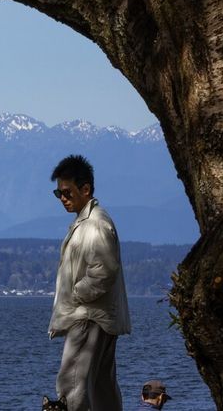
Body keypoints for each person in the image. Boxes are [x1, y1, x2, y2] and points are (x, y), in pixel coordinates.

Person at [49, 154, 131, 411]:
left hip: (88, 316)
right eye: (58, 193)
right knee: (101, 388)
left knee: (71, 385)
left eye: (67, 192)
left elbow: (104, 270)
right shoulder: (88, 222)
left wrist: (76, 295)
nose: (62, 198)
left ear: (85, 189)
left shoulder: (95, 225)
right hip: (99, 316)